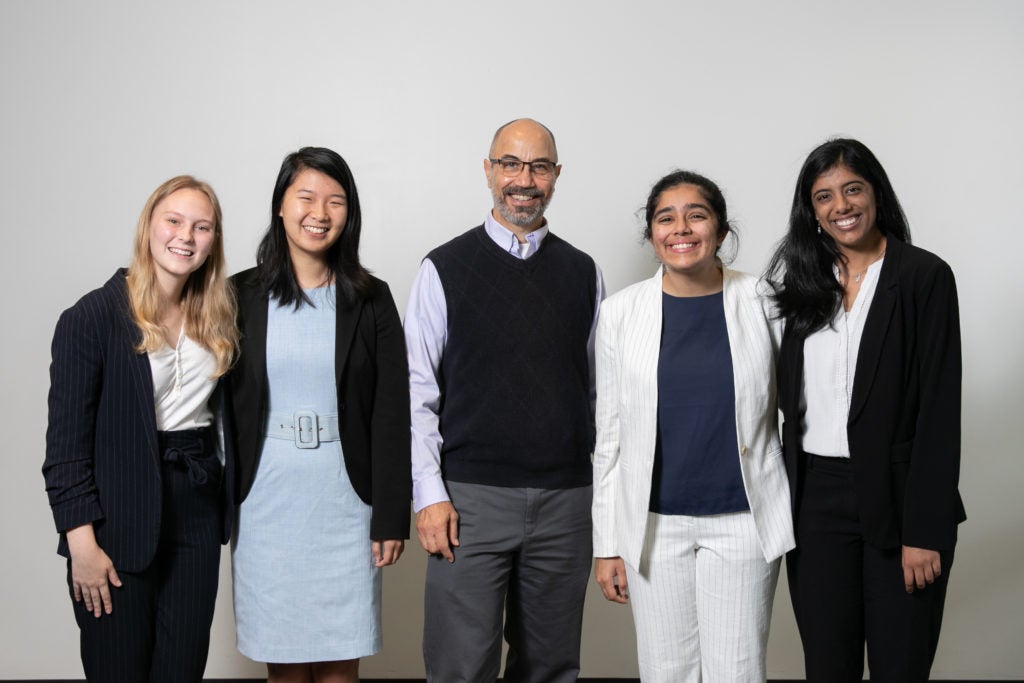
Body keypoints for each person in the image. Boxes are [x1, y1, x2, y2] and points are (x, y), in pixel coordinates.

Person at [405, 118, 604, 683]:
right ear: (489, 170)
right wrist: (429, 495)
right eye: (511, 164)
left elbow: (599, 394)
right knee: (460, 667)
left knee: (550, 667)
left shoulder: (583, 272)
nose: (525, 179)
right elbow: (419, 392)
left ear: (557, 176)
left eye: (539, 166)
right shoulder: (442, 268)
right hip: (468, 501)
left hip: (565, 501)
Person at [765, 138, 965, 682]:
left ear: (876, 193)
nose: (841, 206)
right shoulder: (802, 283)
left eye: (852, 189)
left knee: (900, 666)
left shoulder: (924, 277)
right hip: (815, 502)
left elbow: (940, 414)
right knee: (827, 666)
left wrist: (923, 530)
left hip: (900, 501)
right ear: (811, 209)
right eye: (824, 196)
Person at [592, 170, 795, 682]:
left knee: (739, 670)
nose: (681, 228)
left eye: (696, 215)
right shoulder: (619, 313)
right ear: (652, 234)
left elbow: (796, 406)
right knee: (666, 672)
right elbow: (609, 438)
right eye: (666, 218)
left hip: (743, 520)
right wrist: (606, 543)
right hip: (652, 525)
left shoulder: (765, 301)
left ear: (721, 231)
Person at [43, 176, 237, 682]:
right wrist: (81, 545)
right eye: (174, 221)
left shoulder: (219, 317)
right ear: (148, 226)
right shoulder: (92, 317)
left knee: (181, 670)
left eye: (202, 227)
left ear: (213, 240)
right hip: (115, 521)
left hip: (195, 510)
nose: (186, 237)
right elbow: (65, 449)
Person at [228, 147, 411, 683]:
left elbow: (391, 411)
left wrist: (389, 514)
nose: (320, 212)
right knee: (283, 667)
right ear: (281, 206)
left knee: (340, 666)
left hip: (346, 501)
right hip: (266, 502)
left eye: (336, 201)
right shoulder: (238, 294)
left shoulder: (371, 298)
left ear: (349, 214)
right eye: (306, 197)